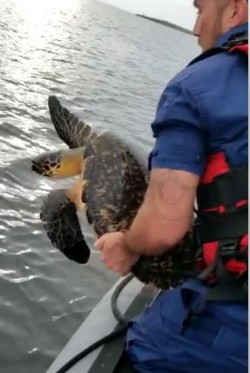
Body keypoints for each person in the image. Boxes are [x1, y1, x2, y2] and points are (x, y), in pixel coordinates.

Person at [95, 0, 248, 372]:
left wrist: (126, 245)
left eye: (200, 9)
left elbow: (164, 224)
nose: (195, 28)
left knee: (147, 350)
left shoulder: (200, 85)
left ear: (235, 9)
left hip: (221, 335)